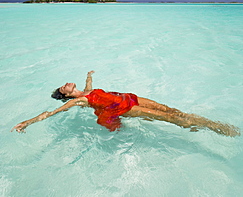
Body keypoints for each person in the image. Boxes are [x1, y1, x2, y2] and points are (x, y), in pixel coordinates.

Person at [11, 71, 240, 137]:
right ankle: (214, 127)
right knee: (172, 118)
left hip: (130, 96)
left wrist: (89, 75)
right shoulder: (79, 101)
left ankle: (191, 123)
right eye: (63, 88)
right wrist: (27, 122)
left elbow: (90, 86)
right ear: (68, 96)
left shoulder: (86, 90)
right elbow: (50, 113)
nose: (65, 84)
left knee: (170, 109)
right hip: (125, 108)